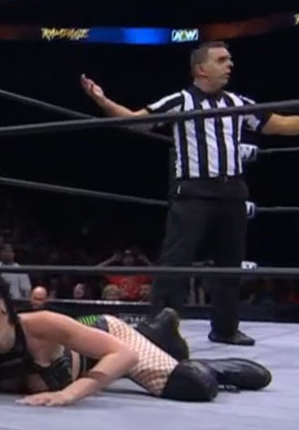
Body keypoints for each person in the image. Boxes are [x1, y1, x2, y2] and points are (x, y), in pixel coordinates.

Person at [81, 41, 299, 347]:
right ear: (201, 69)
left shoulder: (237, 102)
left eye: (229, 59)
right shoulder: (181, 100)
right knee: (176, 260)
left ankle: (225, 328)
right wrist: (103, 101)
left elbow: (278, 124)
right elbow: (138, 121)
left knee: (230, 262)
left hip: (232, 189)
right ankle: (160, 328)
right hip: (194, 190)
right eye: (221, 60)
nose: (229, 65)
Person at [0, 273, 270, 406]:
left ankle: (211, 364)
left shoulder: (40, 324)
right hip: (91, 356)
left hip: (109, 335)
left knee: (192, 384)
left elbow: (123, 355)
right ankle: (157, 331)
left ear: (7, 307)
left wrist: (69, 394)